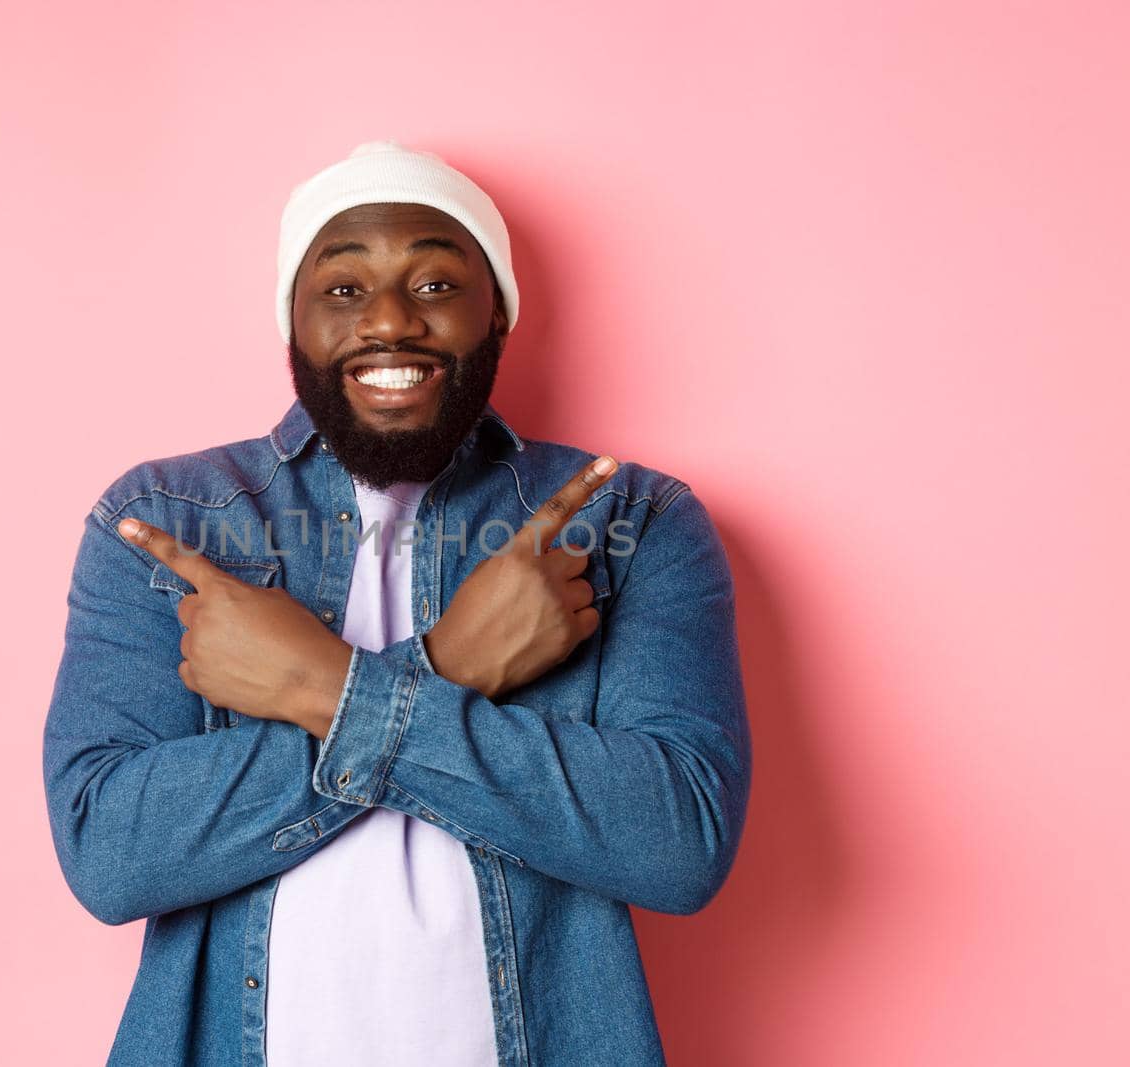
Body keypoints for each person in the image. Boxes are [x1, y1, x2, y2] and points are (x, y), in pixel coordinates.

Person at [42, 140, 752, 1066]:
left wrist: (322, 690)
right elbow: (110, 854)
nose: (389, 322)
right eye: (341, 290)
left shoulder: (628, 520)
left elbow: (678, 843)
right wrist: (448, 668)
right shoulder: (168, 522)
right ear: (290, 323)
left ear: (495, 314)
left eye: (434, 285)